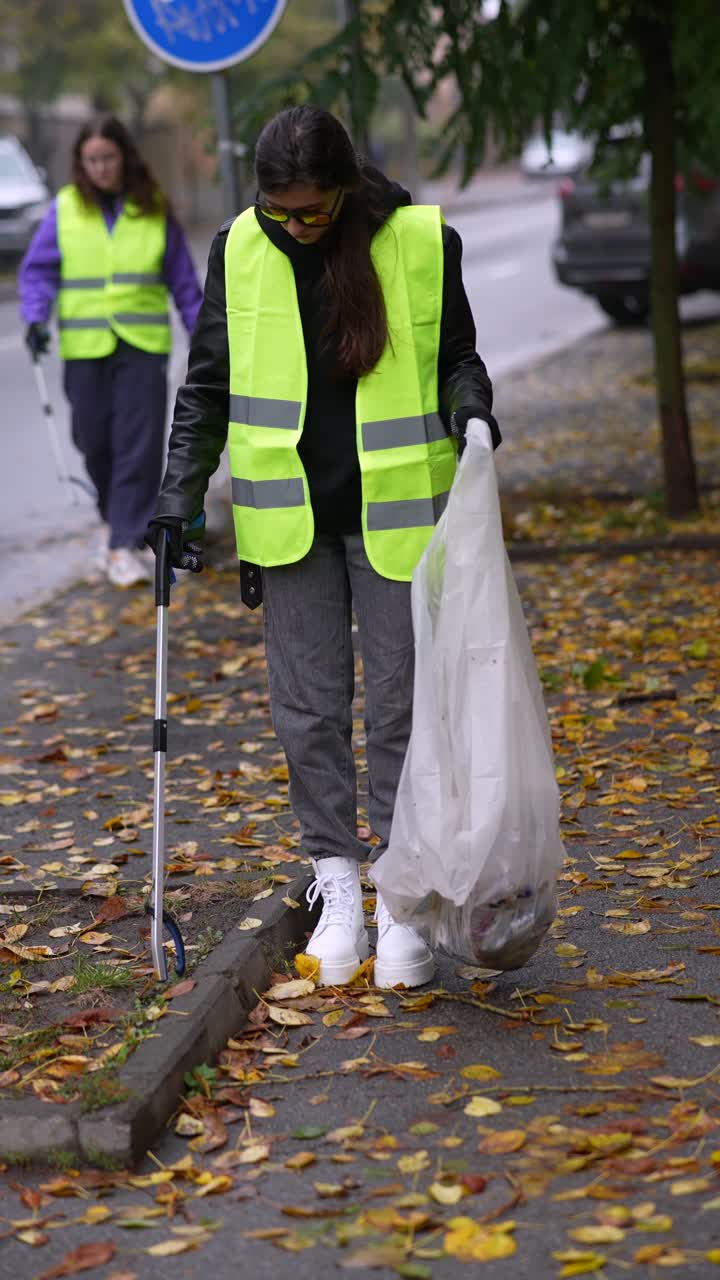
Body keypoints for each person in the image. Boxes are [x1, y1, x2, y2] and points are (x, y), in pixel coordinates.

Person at [147, 105, 501, 987]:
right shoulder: (240, 246)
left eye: (312, 211)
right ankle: (337, 880)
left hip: (395, 514)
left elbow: (458, 352)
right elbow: (209, 387)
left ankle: (402, 893)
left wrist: (475, 412)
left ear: (346, 190)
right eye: (281, 211)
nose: (296, 225)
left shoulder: (419, 240)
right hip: (288, 518)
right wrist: (176, 499)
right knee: (306, 709)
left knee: (400, 707)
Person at [18, 115, 203, 587]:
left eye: (109, 158)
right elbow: (38, 271)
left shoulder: (154, 208)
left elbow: (182, 282)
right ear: (81, 163)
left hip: (142, 348)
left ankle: (122, 545)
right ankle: (114, 526)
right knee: (94, 443)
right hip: (85, 348)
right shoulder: (65, 209)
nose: (101, 168)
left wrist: (203, 334)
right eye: (92, 160)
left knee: (137, 451)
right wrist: (36, 317)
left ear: (125, 157)